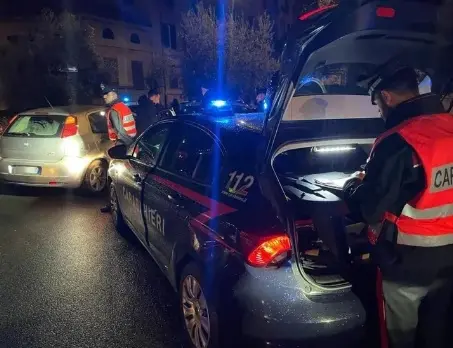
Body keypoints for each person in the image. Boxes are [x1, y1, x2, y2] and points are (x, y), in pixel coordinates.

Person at [343, 67, 453, 348]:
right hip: (448, 260)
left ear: (387, 97)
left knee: (399, 338)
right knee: (437, 334)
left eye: (377, 102)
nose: (379, 110)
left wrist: (352, 187)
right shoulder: (449, 127)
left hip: (405, 264)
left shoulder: (397, 141)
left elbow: (371, 210)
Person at [100, 83, 137, 213]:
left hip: (122, 147)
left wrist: (130, 147)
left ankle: (114, 204)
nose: (104, 96)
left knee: (115, 176)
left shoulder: (114, 110)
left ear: (114, 94)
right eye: (104, 94)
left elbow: (121, 132)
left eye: (107, 93)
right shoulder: (123, 107)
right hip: (128, 145)